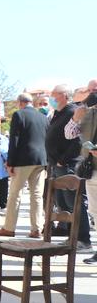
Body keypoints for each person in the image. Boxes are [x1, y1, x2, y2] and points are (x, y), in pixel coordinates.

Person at [0, 92, 49, 239]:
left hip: (23, 160)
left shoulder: (19, 115)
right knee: (37, 195)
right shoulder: (43, 118)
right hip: (41, 160)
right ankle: (36, 228)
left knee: (15, 194)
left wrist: (10, 162)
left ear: (20, 102)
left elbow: (14, 140)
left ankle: (9, 227)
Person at [46, 84, 89, 250]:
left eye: (53, 94)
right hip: (56, 165)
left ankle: (83, 239)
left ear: (64, 95)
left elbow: (77, 140)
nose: (51, 97)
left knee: (74, 203)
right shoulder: (59, 113)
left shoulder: (73, 112)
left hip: (67, 164)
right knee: (64, 204)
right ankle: (73, 237)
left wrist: (62, 160)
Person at [65, 84, 97, 264]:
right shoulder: (86, 112)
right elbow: (69, 134)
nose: (93, 93)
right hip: (91, 170)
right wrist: (75, 119)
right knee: (94, 211)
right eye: (91, 90)